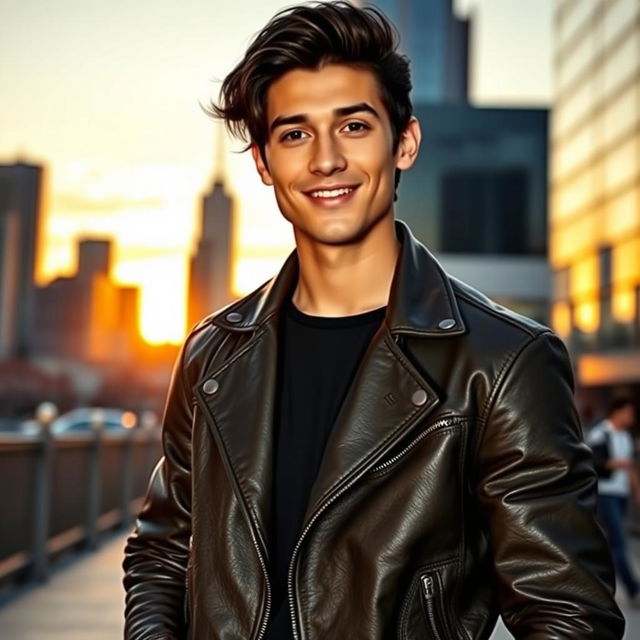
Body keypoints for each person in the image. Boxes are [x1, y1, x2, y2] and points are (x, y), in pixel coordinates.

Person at [122, 2, 624, 638]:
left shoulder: (501, 361)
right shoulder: (213, 353)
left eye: (353, 126)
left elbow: (566, 611)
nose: (325, 159)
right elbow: (163, 550)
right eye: (295, 134)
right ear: (264, 164)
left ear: (404, 142)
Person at [587, 397, 640, 605]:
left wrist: (636, 490)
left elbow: (630, 466)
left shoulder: (626, 436)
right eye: (628, 413)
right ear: (616, 412)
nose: (631, 417)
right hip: (606, 493)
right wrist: (615, 463)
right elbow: (594, 464)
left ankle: (598, 586)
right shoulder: (600, 434)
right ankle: (633, 587)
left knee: (608, 543)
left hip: (621, 494)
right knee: (618, 540)